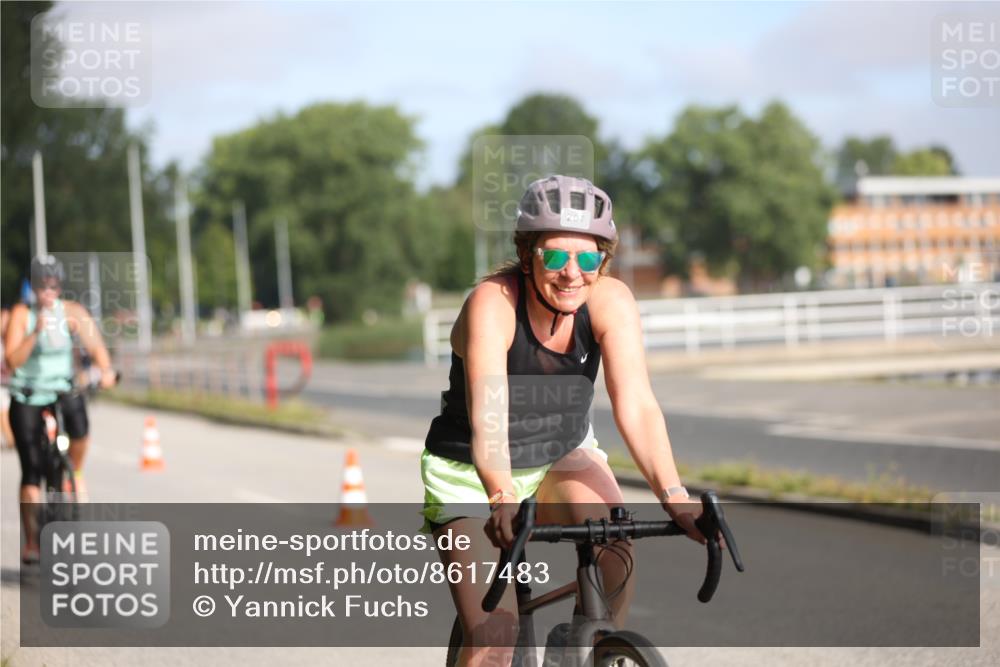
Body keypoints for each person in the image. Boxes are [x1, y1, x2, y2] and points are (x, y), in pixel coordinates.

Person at [421, 175, 704, 667]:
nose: (573, 273)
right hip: (471, 470)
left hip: (559, 456)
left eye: (589, 258)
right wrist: (502, 496)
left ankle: (578, 651)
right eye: (555, 256)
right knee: (494, 639)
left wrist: (675, 497)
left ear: (604, 260)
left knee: (615, 544)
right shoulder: (494, 304)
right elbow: (490, 418)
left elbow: (635, 402)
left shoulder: (610, 302)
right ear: (527, 253)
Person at [4, 255, 117, 564]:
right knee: (32, 469)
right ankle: (31, 541)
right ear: (33, 288)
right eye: (42, 286)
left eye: (54, 286)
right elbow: (12, 361)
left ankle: (74, 472)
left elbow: (96, 347)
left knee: (80, 427)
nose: (48, 293)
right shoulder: (21, 315)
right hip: (28, 392)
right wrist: (36, 332)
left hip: (62, 388)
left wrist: (105, 371)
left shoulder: (72, 312)